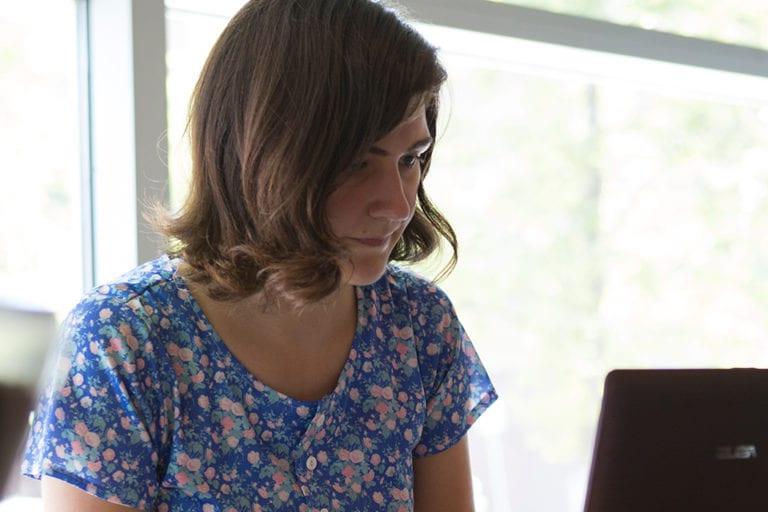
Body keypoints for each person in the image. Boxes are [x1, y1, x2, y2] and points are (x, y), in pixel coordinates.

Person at [21, 0, 498, 510]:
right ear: (266, 152)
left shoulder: (420, 328)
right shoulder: (120, 342)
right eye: (360, 161)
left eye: (411, 159)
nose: (399, 203)